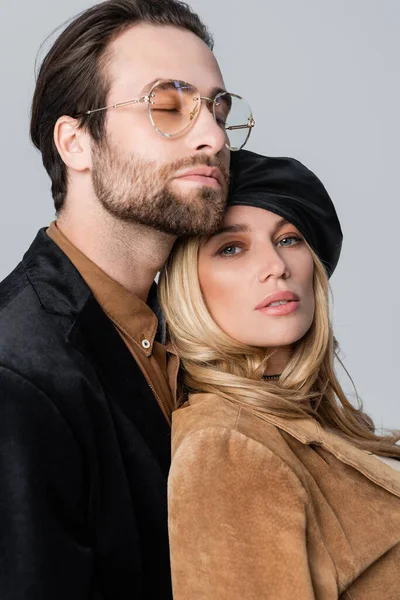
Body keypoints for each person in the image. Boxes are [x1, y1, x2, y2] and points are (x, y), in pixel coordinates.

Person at [0, 1, 255, 598]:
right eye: (168, 105)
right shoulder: (17, 377)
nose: (213, 136)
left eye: (218, 108)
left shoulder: (196, 334)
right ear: (77, 143)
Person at [160, 149, 400, 600]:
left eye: (289, 238)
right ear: (186, 285)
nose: (277, 266)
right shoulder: (227, 448)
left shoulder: (307, 424)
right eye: (231, 248)